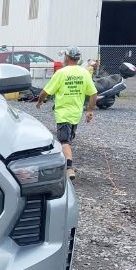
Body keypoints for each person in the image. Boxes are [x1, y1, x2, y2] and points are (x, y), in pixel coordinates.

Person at [35, 46, 97, 180]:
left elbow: (45, 91)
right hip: (76, 114)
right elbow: (93, 93)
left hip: (63, 113)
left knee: (64, 141)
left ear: (67, 57)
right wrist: (90, 110)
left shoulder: (61, 73)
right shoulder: (84, 73)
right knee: (68, 140)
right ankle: (65, 163)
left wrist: (40, 101)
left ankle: (69, 168)